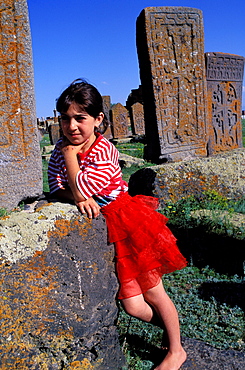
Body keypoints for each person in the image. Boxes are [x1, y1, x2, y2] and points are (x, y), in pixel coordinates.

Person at [48, 79, 187, 370]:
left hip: (128, 222)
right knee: (133, 306)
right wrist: (73, 186)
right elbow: (55, 187)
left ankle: (177, 350)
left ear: (98, 119)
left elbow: (84, 188)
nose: (71, 126)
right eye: (65, 119)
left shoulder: (104, 149)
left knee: (153, 291)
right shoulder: (59, 150)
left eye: (79, 118)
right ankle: (170, 328)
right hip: (107, 230)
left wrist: (72, 160)